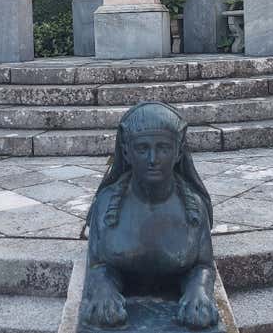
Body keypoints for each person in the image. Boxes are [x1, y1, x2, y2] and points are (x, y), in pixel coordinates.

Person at [81, 102, 219, 329]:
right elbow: (97, 266)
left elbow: (203, 266)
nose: (153, 159)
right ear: (127, 151)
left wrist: (199, 289)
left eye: (163, 148)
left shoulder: (193, 209)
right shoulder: (105, 206)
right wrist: (103, 287)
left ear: (178, 151)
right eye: (142, 148)